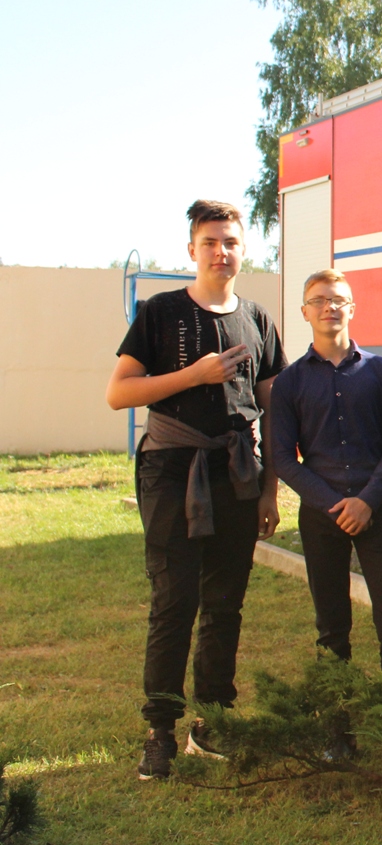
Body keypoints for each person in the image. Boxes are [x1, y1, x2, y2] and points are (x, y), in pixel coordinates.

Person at [107, 199, 287, 780]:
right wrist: (195, 375)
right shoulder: (160, 313)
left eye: (231, 241)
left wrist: (269, 492)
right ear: (192, 249)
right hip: (170, 471)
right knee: (174, 601)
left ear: (243, 250)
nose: (221, 251)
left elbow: (274, 411)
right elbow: (120, 393)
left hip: (237, 474)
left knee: (225, 605)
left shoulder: (258, 320)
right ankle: (159, 730)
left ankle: (212, 722)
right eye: (210, 241)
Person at [269, 269, 382, 684]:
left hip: (377, 510)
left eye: (338, 300)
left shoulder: (381, 372)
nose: (329, 307)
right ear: (304, 312)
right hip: (321, 516)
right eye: (319, 301)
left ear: (352, 308)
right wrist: (333, 505)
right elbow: (282, 458)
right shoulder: (290, 382)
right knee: (331, 627)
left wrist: (367, 500)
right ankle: (338, 724)